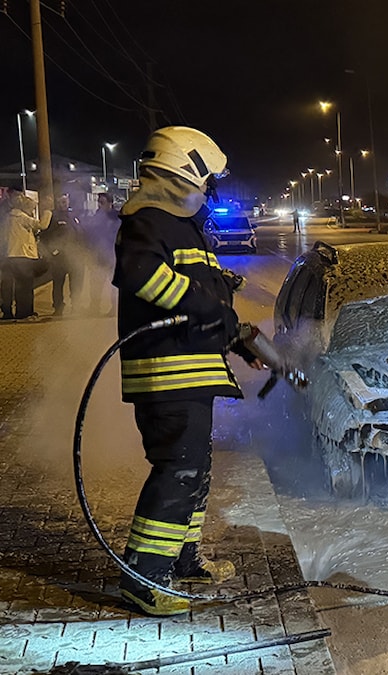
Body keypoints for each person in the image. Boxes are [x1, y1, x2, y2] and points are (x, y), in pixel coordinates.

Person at [113, 126, 262, 616]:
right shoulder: (147, 221)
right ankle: (142, 578)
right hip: (164, 371)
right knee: (179, 468)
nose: (209, 192)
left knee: (194, 469)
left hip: (189, 368)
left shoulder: (184, 227)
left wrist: (238, 336)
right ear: (185, 172)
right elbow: (141, 277)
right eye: (207, 181)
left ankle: (182, 561)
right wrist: (206, 304)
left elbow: (205, 305)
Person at [1, 189, 51, 320]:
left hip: (11, 256)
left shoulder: (8, 218)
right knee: (25, 287)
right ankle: (25, 313)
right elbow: (42, 225)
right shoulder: (21, 217)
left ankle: (15, 312)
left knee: (17, 286)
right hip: (23, 256)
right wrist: (47, 211)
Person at [80, 192, 121, 315]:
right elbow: (91, 236)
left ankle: (114, 309)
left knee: (114, 286)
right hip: (98, 256)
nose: (99, 205)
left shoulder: (117, 218)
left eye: (102, 202)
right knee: (96, 284)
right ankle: (94, 308)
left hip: (112, 256)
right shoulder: (97, 217)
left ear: (110, 204)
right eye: (99, 202)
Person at [43, 194, 81, 316]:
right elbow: (45, 235)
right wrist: (52, 251)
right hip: (59, 257)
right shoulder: (53, 216)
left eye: (64, 202)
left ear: (68, 202)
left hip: (73, 255)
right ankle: (58, 308)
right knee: (58, 283)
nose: (62, 204)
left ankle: (76, 306)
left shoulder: (73, 216)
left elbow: (80, 233)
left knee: (75, 284)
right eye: (60, 202)